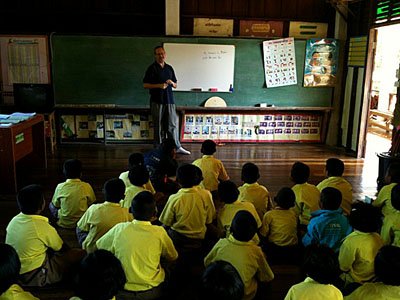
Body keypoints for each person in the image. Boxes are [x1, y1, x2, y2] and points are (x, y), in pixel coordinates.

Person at [96, 191, 178, 300]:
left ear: (131, 211)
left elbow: (99, 247)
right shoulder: (159, 232)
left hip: (121, 291)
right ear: (154, 214)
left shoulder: (120, 228)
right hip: (152, 291)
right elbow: (173, 256)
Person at [6, 184, 85, 287]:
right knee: (80, 254)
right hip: (35, 276)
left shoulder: (14, 221)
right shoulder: (41, 226)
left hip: (14, 272)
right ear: (41, 205)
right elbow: (62, 248)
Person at [204, 210, 274, 300]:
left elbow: (207, 262)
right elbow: (267, 277)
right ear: (253, 235)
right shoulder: (256, 251)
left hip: (220, 294)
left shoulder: (221, 243)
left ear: (231, 229)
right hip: (245, 296)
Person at [143, 45, 190, 155]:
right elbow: (145, 85)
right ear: (155, 55)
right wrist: (159, 85)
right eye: (158, 54)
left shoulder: (169, 68)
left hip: (169, 101)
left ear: (165, 54)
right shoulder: (152, 68)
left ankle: (177, 147)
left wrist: (172, 83)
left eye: (162, 53)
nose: (161, 56)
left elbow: (175, 85)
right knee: (158, 125)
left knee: (172, 125)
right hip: (156, 101)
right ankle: (158, 147)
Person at [159, 164, 216, 251]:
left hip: (178, 237)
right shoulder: (206, 194)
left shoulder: (175, 198)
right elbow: (209, 219)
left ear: (177, 180)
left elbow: (166, 222)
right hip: (199, 236)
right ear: (199, 180)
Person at [76, 178, 133, 253]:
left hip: (92, 251)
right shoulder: (128, 214)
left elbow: (81, 227)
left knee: (80, 229)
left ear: (103, 192)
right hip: (113, 253)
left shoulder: (94, 209)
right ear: (123, 197)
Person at [339, 202, 384, 288]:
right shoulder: (377, 237)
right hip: (374, 279)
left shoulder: (350, 241)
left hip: (355, 281)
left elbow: (343, 266)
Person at [302, 187, 352, 253]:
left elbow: (309, 243)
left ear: (320, 204)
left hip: (321, 257)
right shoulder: (346, 221)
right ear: (340, 203)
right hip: (340, 256)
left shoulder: (315, 222)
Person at [50, 159, 96, 228]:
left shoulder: (60, 187)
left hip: (64, 223)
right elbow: (92, 202)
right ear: (81, 173)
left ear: (64, 172)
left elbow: (56, 204)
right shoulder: (86, 186)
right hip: (81, 223)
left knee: (51, 205)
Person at [259, 187, 298, 264]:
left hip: (275, 248)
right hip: (292, 249)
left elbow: (263, 233)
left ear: (277, 200)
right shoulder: (294, 214)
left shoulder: (270, 215)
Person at [291, 161, 320, 227]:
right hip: (318, 220)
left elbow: (294, 213)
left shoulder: (294, 191)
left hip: (306, 224)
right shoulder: (314, 188)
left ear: (292, 176)